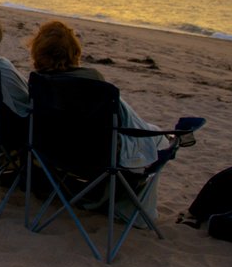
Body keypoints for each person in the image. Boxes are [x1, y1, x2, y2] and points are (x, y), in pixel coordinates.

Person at [28, 20, 167, 223]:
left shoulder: (39, 83)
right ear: (74, 51)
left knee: (149, 136)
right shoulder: (93, 81)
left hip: (53, 154)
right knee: (160, 140)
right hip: (97, 160)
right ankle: (131, 209)